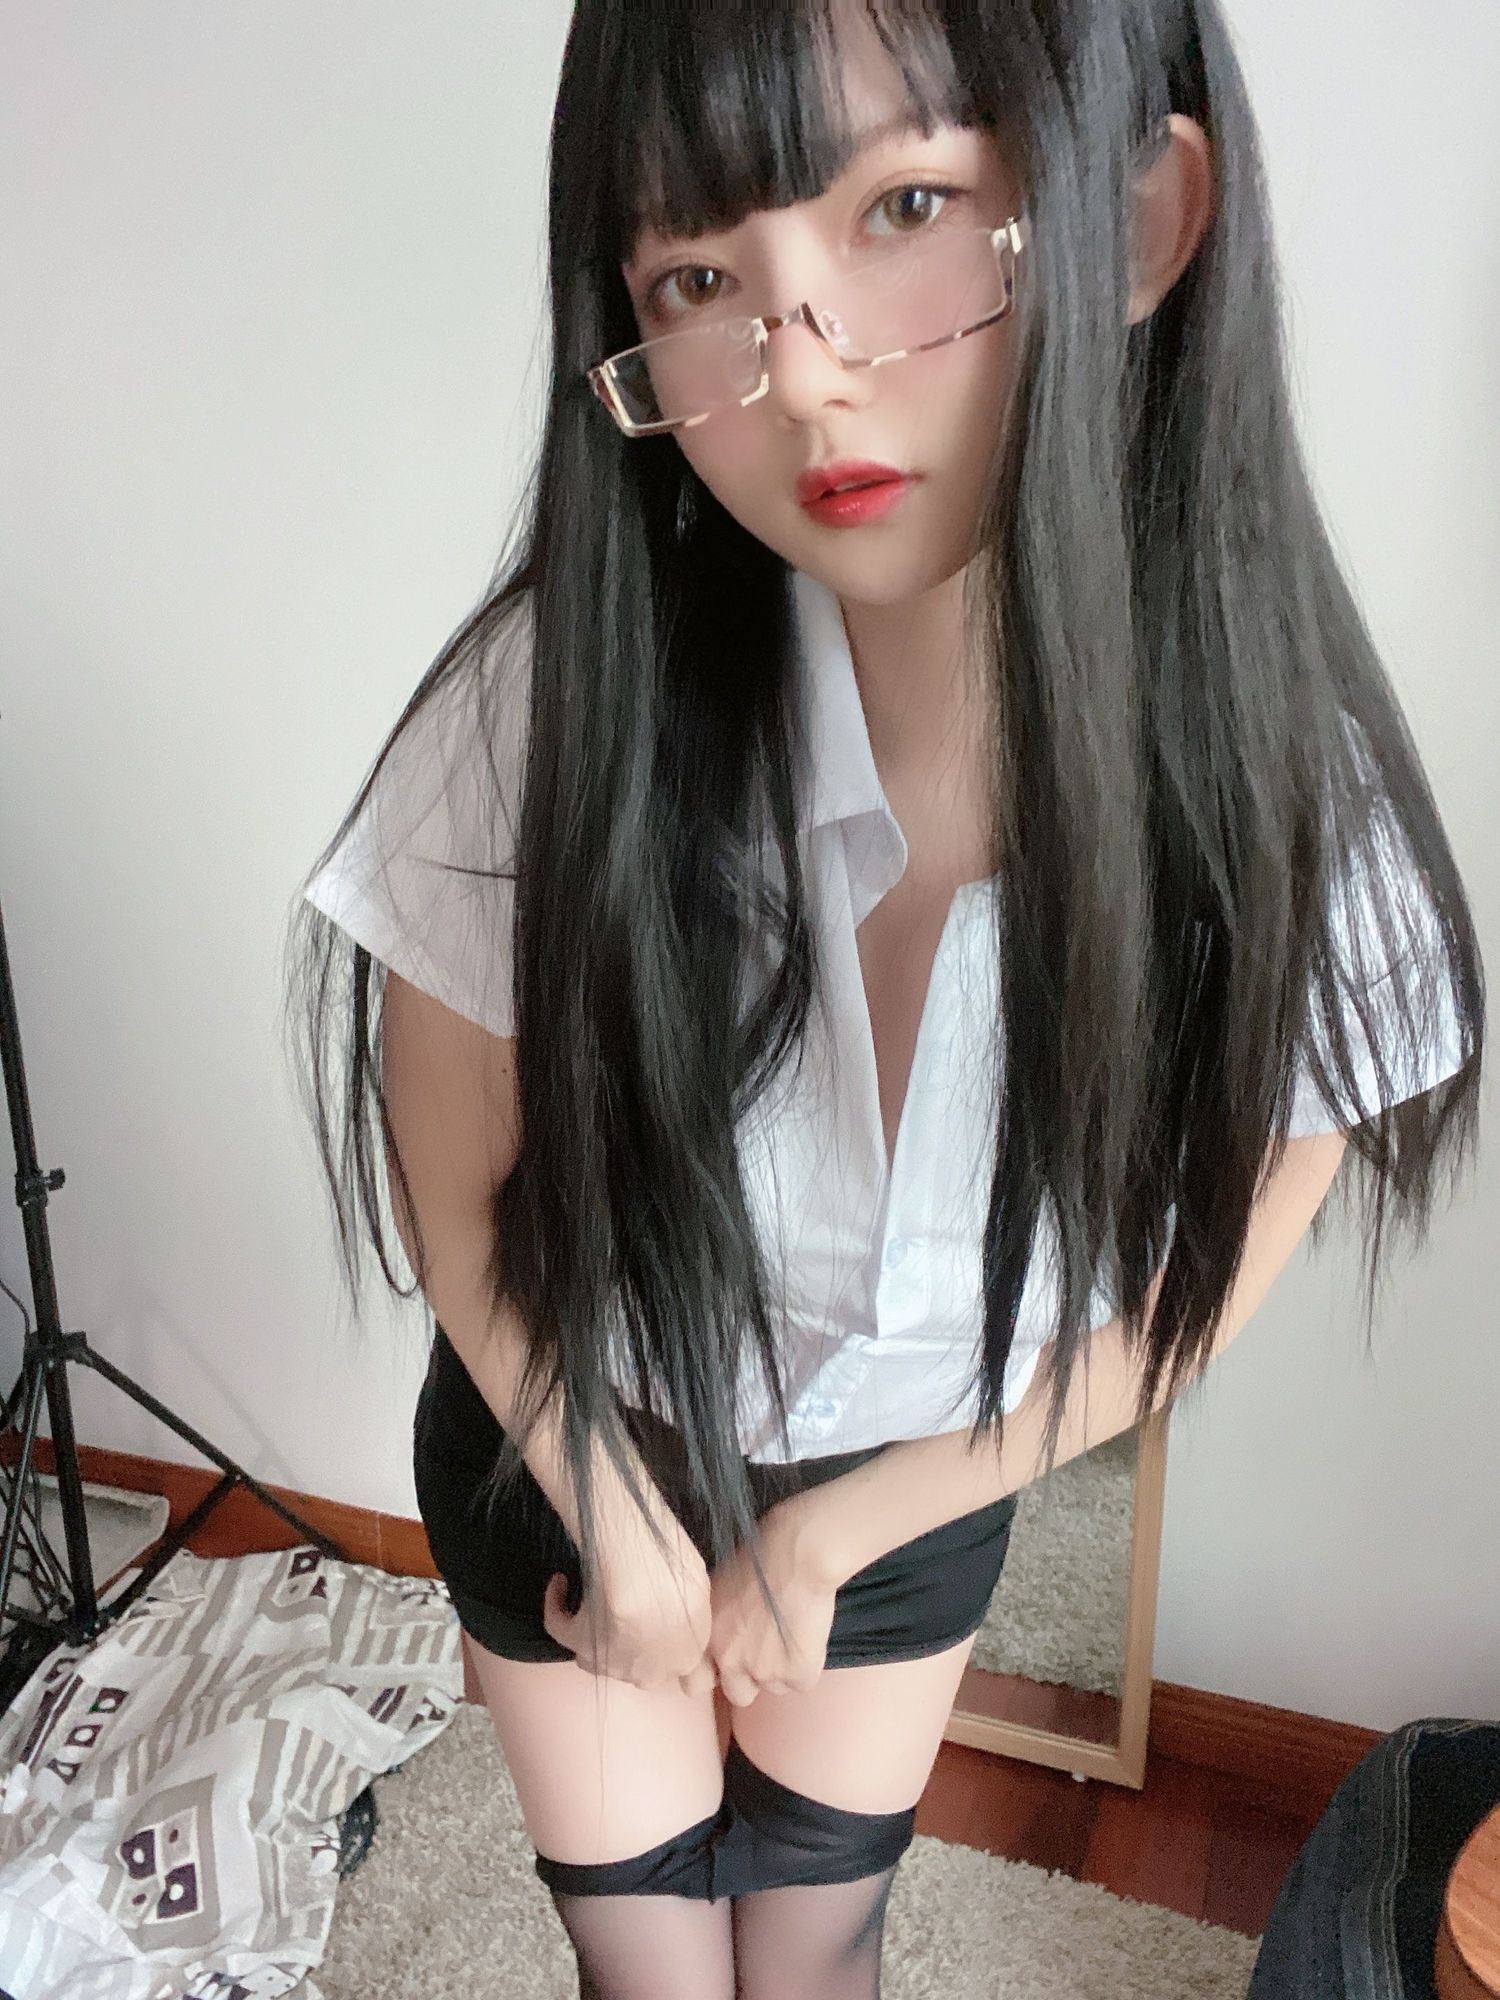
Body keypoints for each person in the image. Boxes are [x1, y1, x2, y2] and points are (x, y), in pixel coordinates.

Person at [285, 3, 1484, 1995]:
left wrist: (847, 1534)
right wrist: (614, 1508)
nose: (805, 370)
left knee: (819, 1956)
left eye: (905, 207)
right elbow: (453, 1177)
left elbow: (1190, 1293)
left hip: (911, 1487)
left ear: (1142, 219)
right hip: (569, 1433)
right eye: (696, 283)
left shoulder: (1298, 825)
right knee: (650, 1976)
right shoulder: (549, 705)